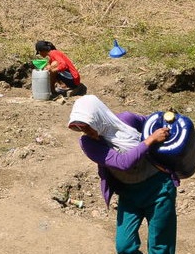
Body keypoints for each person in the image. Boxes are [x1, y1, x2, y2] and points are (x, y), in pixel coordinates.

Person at [68, 95, 177, 254]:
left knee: (161, 246)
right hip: (129, 194)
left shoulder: (127, 120)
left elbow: (152, 123)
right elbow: (123, 162)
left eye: (88, 126)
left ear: (99, 117)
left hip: (158, 189)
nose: (87, 132)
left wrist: (168, 121)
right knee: (124, 246)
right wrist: (151, 140)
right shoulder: (89, 144)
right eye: (81, 128)